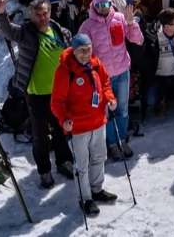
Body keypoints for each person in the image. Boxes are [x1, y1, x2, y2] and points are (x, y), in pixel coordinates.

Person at [0, 0, 74, 188]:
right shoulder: (25, 32)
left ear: (50, 13)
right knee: (40, 136)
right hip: (37, 94)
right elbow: (7, 30)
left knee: (61, 130)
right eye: (37, 14)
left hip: (59, 92)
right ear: (30, 15)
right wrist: (0, 12)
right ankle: (44, 171)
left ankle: (64, 162)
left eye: (45, 13)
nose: (42, 17)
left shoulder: (57, 29)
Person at [50, 33, 119, 216]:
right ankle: (85, 198)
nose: (86, 54)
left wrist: (110, 98)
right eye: (81, 51)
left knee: (99, 157)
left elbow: (105, 82)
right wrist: (65, 120)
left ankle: (97, 190)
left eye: (88, 50)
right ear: (73, 51)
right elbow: (57, 102)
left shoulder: (96, 63)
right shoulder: (65, 71)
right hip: (78, 128)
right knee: (82, 165)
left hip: (98, 122)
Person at [78, 0, 143, 160]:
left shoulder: (120, 18)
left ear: (110, 4)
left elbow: (139, 39)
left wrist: (131, 24)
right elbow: (81, 51)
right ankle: (112, 144)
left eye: (106, 4)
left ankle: (122, 139)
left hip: (122, 71)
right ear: (93, 6)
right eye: (99, 5)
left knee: (122, 109)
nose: (103, 8)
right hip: (102, 77)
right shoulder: (87, 25)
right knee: (106, 112)